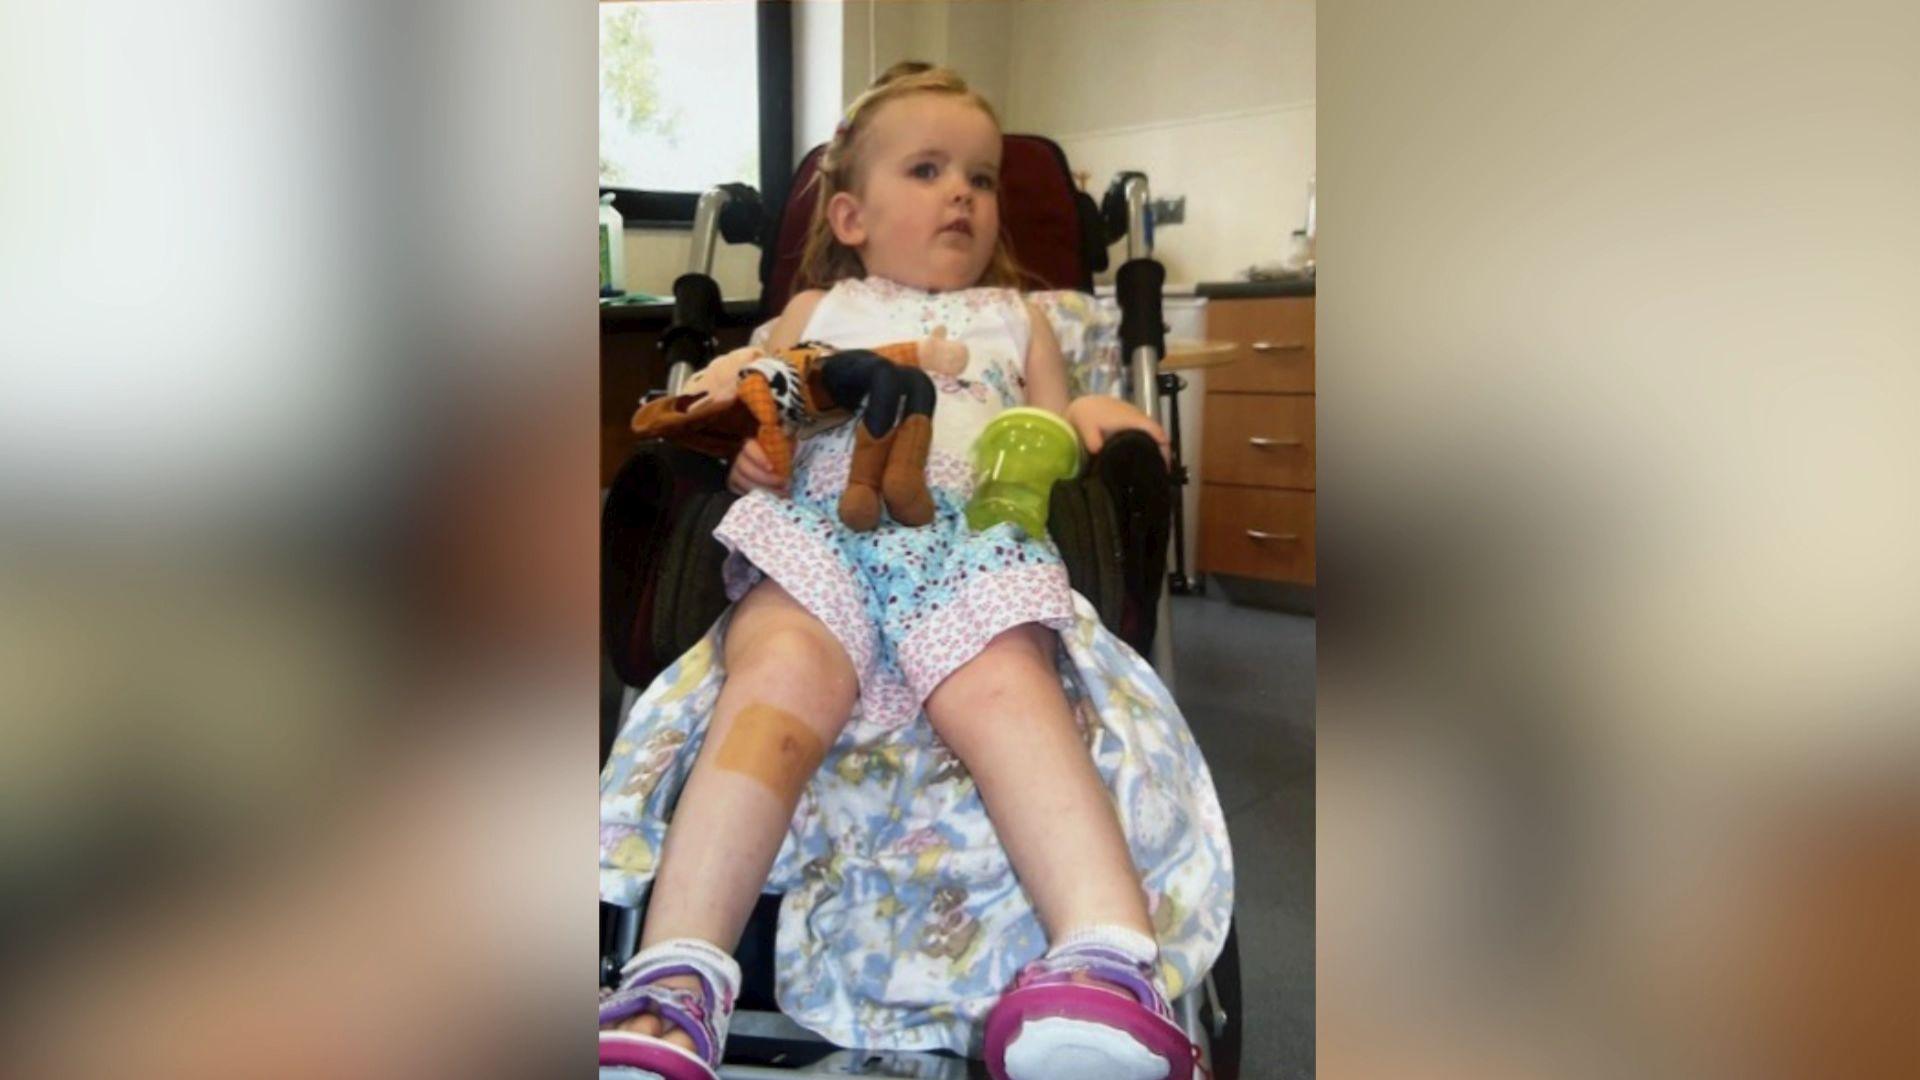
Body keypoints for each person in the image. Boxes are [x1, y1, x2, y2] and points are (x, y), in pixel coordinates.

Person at [600, 63, 1228, 1080]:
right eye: (929, 169)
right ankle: (675, 979)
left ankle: (1107, 963)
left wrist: (1101, 418)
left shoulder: (1018, 317)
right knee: (776, 685)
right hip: (817, 535)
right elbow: (716, 393)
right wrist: (738, 437)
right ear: (850, 214)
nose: (964, 197)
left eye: (980, 180)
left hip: (969, 537)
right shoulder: (814, 306)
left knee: (1005, 684)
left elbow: (1058, 416)